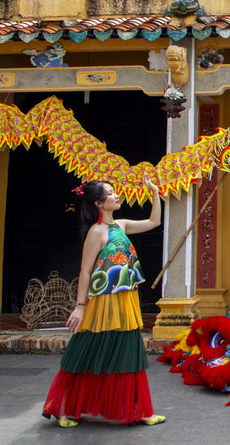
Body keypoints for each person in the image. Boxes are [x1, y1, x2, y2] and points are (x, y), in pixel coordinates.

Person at [42, 178, 166, 428]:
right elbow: (85, 271)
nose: (115, 195)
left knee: (129, 352)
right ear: (99, 204)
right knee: (89, 351)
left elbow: (154, 222)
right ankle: (65, 408)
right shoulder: (96, 232)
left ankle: (140, 410)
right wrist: (80, 307)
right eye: (109, 193)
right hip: (103, 301)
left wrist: (155, 192)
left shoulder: (121, 225)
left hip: (126, 298)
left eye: (113, 191)